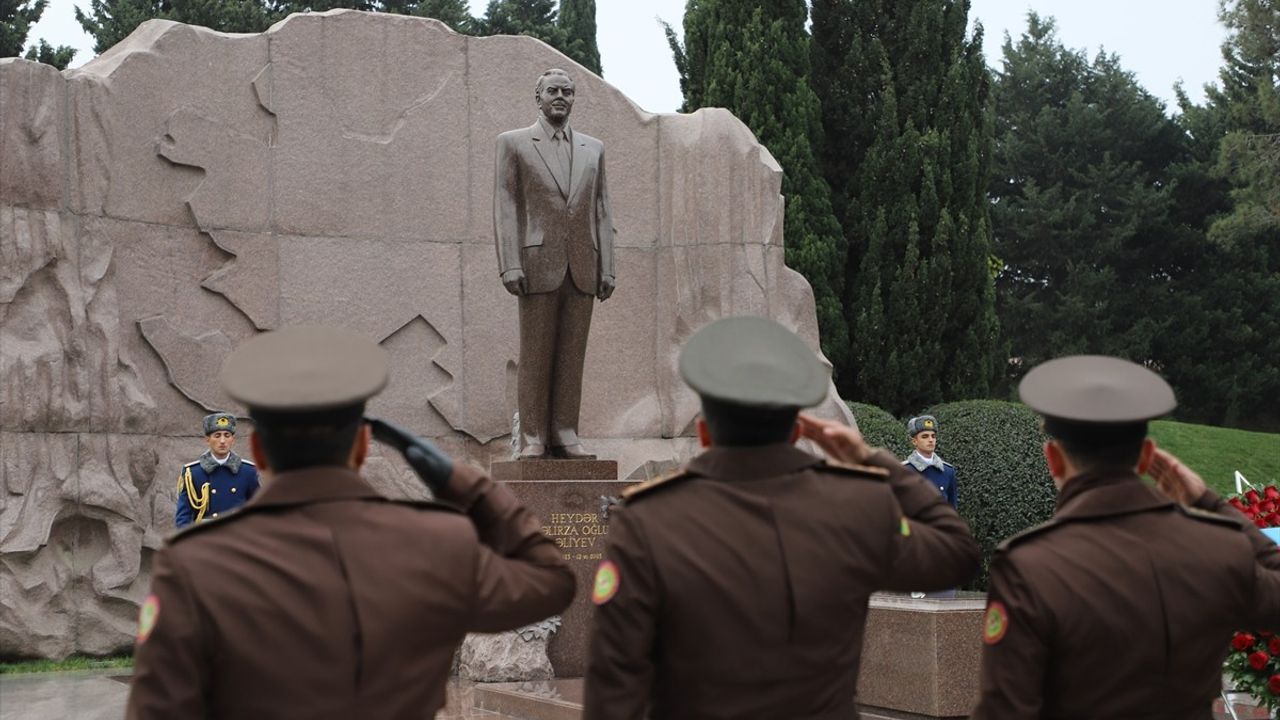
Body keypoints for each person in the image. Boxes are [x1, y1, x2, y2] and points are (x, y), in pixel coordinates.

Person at [127, 326, 576, 719]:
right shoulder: (437, 541)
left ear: (258, 450)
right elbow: (551, 580)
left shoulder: (194, 565)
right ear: (362, 445)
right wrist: (459, 483)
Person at [582, 316, 980, 720]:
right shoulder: (856, 505)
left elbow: (613, 689)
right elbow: (956, 553)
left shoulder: (647, 520)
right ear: (796, 431)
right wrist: (872, 459)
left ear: (703, 433)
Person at [972, 355, 1280, 719]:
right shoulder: (1219, 545)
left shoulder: (1029, 564)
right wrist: (1211, 503)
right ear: (1147, 455)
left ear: (1052, 458)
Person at [494, 67, 616, 459]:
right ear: (539, 97)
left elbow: (602, 210)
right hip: (536, 264)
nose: (560, 97)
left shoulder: (593, 148)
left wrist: (608, 267)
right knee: (535, 355)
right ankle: (533, 437)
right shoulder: (513, 143)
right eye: (553, 91)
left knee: (571, 356)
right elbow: (506, 204)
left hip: (583, 266)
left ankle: (565, 432)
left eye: (567, 91)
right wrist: (509, 263)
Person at [175, 412, 260, 528]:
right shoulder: (193, 473)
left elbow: (258, 511)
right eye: (217, 435)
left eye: (227, 435)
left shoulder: (247, 471)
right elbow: (183, 517)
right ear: (207, 439)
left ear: (233, 440)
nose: (222, 441)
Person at [902, 415, 957, 508]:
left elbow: (952, 507)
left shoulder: (947, 471)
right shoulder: (904, 471)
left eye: (933, 436)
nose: (930, 440)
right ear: (914, 441)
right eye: (925, 436)